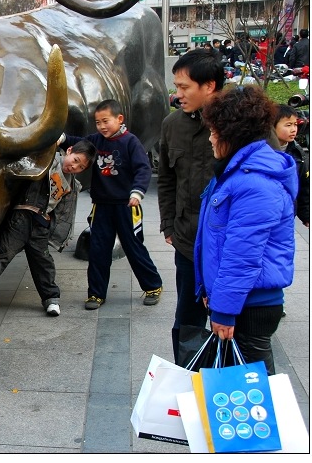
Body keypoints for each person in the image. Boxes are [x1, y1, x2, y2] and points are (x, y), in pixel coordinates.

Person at [196, 85, 297, 376]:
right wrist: (209, 292)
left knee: (256, 398)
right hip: (238, 299)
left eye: (216, 131)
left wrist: (225, 310)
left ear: (234, 135)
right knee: (238, 390)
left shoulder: (256, 184)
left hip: (249, 305)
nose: (211, 138)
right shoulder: (236, 172)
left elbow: (242, 256)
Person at [0, 139, 96, 317]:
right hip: (22, 217)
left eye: (80, 167)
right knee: (1, 253)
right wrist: (54, 144)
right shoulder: (47, 160)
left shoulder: (71, 183)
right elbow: (32, 155)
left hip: (41, 223)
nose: (75, 167)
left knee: (43, 261)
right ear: (69, 151)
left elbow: (62, 210)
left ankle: (51, 298)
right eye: (76, 160)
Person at [157, 48, 225, 364]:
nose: (177, 94)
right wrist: (168, 224)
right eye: (176, 86)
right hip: (188, 242)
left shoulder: (242, 126)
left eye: (184, 87)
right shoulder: (172, 125)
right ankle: (189, 380)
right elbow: (166, 179)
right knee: (187, 320)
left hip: (229, 247)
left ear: (209, 85)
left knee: (234, 324)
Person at [63, 100, 163, 310]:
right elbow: (78, 142)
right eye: (98, 122)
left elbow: (143, 169)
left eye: (105, 121)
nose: (101, 126)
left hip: (127, 205)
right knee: (98, 250)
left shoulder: (131, 142)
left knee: (133, 247)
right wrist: (61, 138)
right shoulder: (95, 141)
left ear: (119, 119)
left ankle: (153, 286)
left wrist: (138, 192)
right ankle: (96, 294)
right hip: (102, 206)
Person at [274, 104, 309, 228]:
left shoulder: (298, 153)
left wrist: (307, 215)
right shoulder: (262, 152)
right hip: (265, 213)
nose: (294, 129)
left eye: (295, 124)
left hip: (287, 216)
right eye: (288, 125)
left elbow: (304, 186)